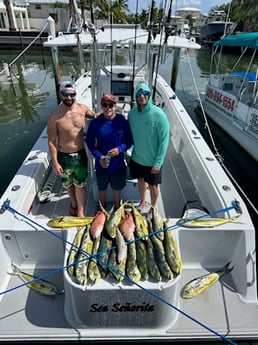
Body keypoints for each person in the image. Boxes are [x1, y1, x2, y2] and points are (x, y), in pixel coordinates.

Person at [47, 80, 96, 217]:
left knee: (80, 184)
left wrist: (113, 116)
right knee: (67, 184)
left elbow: (96, 116)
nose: (69, 98)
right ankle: (73, 202)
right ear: (60, 94)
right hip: (64, 156)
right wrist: (55, 162)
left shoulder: (82, 109)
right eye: (65, 94)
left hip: (80, 155)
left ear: (76, 93)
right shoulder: (54, 117)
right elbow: (51, 141)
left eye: (72, 94)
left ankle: (80, 211)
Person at [85, 94, 134, 210]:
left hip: (118, 163)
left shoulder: (122, 122)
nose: (108, 108)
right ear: (101, 106)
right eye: (105, 105)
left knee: (117, 186)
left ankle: (117, 205)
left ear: (115, 106)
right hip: (102, 163)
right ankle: (102, 206)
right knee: (101, 186)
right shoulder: (95, 123)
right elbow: (89, 142)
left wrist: (120, 149)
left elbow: (130, 140)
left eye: (111, 105)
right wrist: (99, 156)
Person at [128, 82, 170, 213]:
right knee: (140, 181)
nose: (142, 96)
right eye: (139, 93)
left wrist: (158, 162)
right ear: (136, 96)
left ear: (149, 95)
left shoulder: (159, 115)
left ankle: (153, 207)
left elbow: (164, 140)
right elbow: (130, 135)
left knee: (153, 186)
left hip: (153, 161)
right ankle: (142, 202)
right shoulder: (132, 114)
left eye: (145, 93)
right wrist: (128, 151)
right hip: (137, 158)